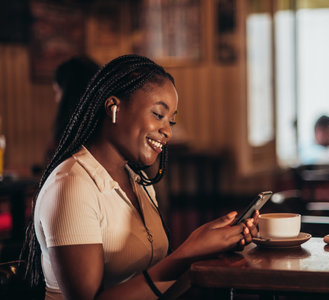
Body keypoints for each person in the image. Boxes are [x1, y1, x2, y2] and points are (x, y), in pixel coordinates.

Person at [23, 54, 259, 300]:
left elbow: (155, 289)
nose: (167, 131)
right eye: (158, 115)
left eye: (171, 121)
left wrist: (202, 251)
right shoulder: (71, 186)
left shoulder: (137, 181)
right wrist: (185, 253)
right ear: (114, 107)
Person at [49, 56, 100, 161]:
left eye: (57, 92)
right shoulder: (106, 125)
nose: (57, 99)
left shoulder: (70, 138)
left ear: (68, 93)